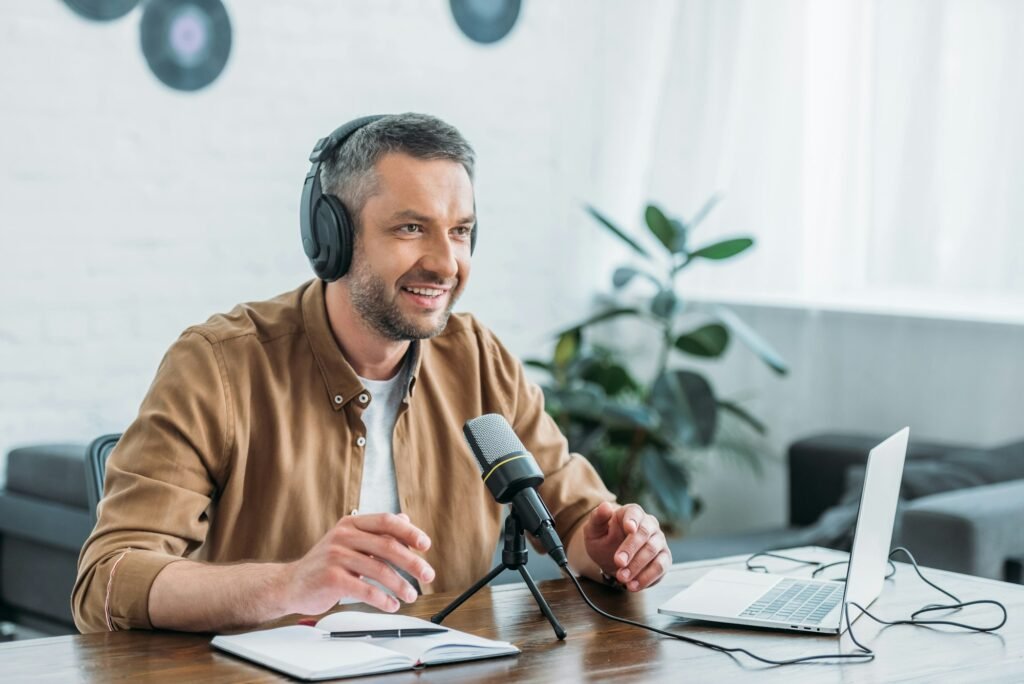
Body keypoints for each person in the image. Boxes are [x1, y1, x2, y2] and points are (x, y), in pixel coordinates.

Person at [72, 113, 672, 634]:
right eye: (411, 228)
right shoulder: (220, 365)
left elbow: (574, 519)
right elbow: (108, 579)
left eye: (460, 231)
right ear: (331, 237)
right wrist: (288, 584)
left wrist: (610, 548)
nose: (445, 263)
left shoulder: (479, 360)